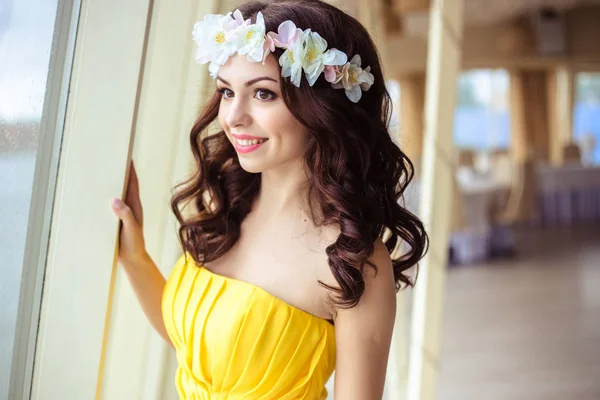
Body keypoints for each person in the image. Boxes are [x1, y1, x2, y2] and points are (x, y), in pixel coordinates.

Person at [110, 0, 427, 398]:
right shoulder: (226, 208)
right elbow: (202, 347)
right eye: (227, 91)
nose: (234, 117)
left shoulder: (352, 261)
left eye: (262, 93)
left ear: (325, 109)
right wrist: (135, 259)